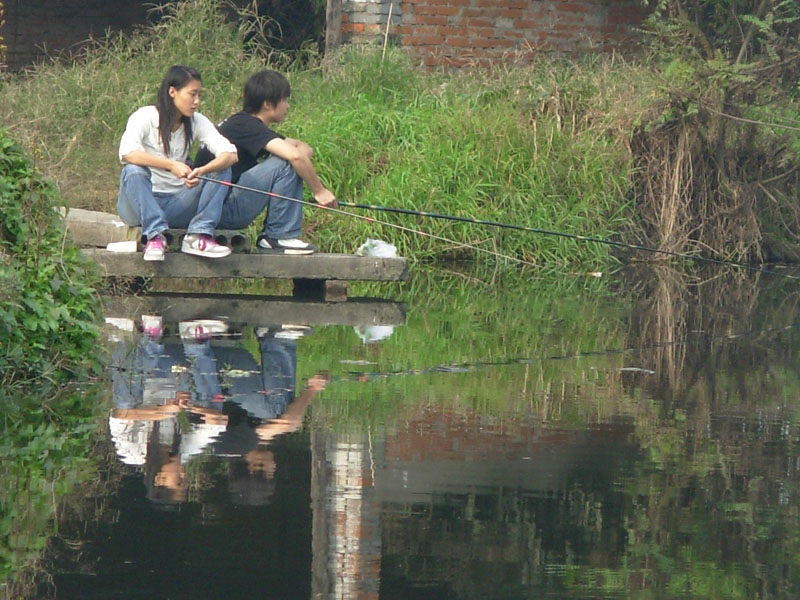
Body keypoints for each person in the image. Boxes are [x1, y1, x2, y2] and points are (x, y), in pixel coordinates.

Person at [195, 69, 337, 255]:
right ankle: (278, 235)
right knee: (287, 162)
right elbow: (295, 156)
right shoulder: (244, 125)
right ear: (268, 104)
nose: (288, 106)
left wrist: (298, 155)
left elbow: (302, 148)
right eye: (285, 100)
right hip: (217, 210)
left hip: (222, 207)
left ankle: (276, 236)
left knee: (289, 159)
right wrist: (320, 191)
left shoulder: (249, 127)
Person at [117, 65, 238, 262]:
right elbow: (127, 152)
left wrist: (201, 171)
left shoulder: (197, 121)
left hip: (176, 202)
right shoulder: (145, 116)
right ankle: (155, 236)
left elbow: (230, 153)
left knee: (222, 169)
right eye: (192, 94)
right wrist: (171, 165)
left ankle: (199, 235)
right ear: (172, 92)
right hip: (137, 205)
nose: (197, 101)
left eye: (199, 95)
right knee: (133, 170)